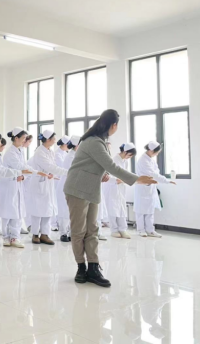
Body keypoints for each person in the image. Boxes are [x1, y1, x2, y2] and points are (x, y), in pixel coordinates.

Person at [64, 109, 158, 288]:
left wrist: (102, 175)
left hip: (91, 189)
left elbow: (98, 166)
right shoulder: (93, 141)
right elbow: (111, 165)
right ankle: (81, 268)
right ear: (113, 125)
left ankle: (93, 268)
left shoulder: (100, 142)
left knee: (92, 229)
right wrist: (137, 179)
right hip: (77, 189)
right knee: (78, 230)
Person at [0, 128, 43, 248]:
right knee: (7, 213)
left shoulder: (20, 150)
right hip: (8, 185)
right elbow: (21, 166)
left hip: (17, 184)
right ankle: (6, 237)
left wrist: (23, 176)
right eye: (23, 138)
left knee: (17, 212)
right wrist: (36, 172)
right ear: (16, 138)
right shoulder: (10, 153)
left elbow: (24, 168)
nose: (24, 140)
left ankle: (15, 237)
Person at [26, 129, 67, 246]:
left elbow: (52, 167)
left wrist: (53, 174)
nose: (55, 141)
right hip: (39, 184)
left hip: (47, 183)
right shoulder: (39, 152)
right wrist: (67, 172)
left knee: (48, 210)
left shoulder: (50, 151)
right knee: (37, 211)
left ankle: (44, 234)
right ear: (48, 140)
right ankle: (35, 234)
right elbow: (50, 167)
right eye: (53, 139)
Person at [134, 142, 177, 238]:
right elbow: (153, 174)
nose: (157, 154)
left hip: (150, 188)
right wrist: (166, 181)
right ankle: (141, 230)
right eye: (156, 152)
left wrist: (164, 180)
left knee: (150, 210)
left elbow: (156, 172)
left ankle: (150, 230)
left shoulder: (151, 160)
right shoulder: (143, 160)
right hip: (142, 187)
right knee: (141, 211)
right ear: (151, 150)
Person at [105, 143, 137, 239]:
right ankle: (114, 230)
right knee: (113, 208)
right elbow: (113, 176)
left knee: (122, 208)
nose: (129, 157)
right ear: (125, 152)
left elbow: (126, 175)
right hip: (112, 187)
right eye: (129, 155)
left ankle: (123, 229)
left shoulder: (125, 161)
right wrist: (126, 179)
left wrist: (126, 179)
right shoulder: (114, 160)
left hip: (121, 187)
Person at [55, 135, 81, 243]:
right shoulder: (70, 157)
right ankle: (63, 233)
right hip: (66, 185)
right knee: (64, 211)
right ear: (77, 145)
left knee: (71, 211)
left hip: (73, 186)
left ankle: (70, 232)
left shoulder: (74, 155)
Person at [53, 136, 70, 232]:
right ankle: (55, 223)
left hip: (63, 179)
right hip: (57, 180)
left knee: (62, 203)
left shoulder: (65, 153)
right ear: (64, 144)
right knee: (57, 202)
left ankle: (61, 223)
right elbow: (62, 166)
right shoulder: (57, 154)